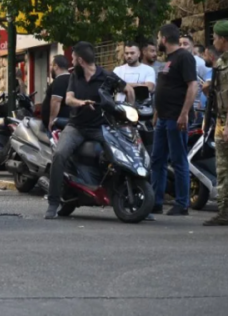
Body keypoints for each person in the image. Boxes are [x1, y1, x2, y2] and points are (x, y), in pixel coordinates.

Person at [45, 42, 132, 219]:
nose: (72, 61)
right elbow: (68, 99)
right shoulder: (74, 77)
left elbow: (128, 89)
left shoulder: (107, 76)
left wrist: (128, 109)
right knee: (59, 155)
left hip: (101, 127)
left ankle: (130, 198)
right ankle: (53, 203)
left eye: (73, 58)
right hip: (76, 126)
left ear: (81, 60)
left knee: (121, 156)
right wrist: (81, 103)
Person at [149, 24, 199, 218]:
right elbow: (165, 87)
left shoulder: (184, 57)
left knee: (178, 160)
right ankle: (156, 201)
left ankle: (182, 203)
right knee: (157, 160)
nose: (156, 40)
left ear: (163, 39)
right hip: (163, 117)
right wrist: (156, 113)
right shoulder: (168, 60)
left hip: (176, 117)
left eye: (158, 37)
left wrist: (184, 113)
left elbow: (192, 86)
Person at [204, 21, 228, 226]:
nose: (213, 41)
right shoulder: (221, 64)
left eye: (215, 37)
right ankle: (224, 212)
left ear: (223, 39)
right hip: (221, 119)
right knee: (222, 169)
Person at [41, 55, 71, 132]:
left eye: (51, 65)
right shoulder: (72, 79)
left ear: (56, 66)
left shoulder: (59, 80)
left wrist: (51, 121)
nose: (50, 68)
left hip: (57, 124)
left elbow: (56, 101)